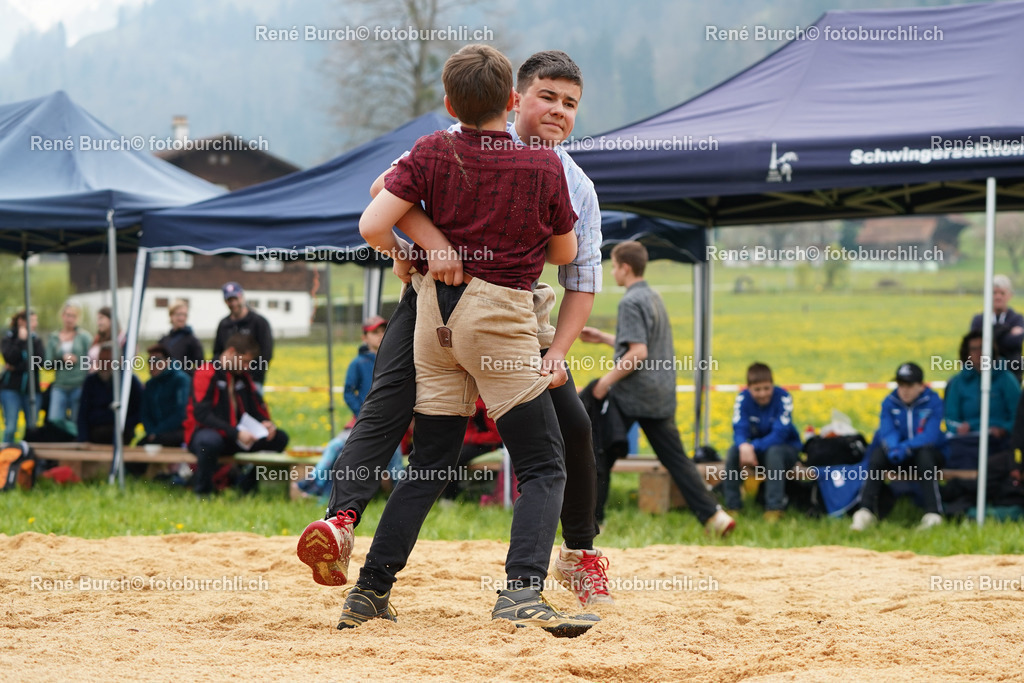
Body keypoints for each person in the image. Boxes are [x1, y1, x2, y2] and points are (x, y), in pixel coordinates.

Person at [296, 49, 616, 614]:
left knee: (460, 450)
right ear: (517, 99)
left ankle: (371, 590)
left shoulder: (449, 150)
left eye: (571, 104)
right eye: (548, 97)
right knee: (536, 460)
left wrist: (559, 350)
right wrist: (437, 246)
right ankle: (515, 590)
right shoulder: (527, 165)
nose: (559, 111)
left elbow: (380, 215)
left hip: (450, 317)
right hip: (493, 315)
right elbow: (385, 196)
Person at [581, 241, 735, 535]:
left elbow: (638, 353)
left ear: (625, 268)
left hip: (633, 394)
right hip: (660, 393)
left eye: (613, 266)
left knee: (597, 451)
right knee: (677, 460)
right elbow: (643, 345)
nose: (612, 272)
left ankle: (590, 521)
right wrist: (603, 338)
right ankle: (715, 517)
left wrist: (603, 384)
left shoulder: (629, 301)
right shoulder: (654, 296)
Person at [291, 316, 405, 500]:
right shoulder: (358, 363)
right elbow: (348, 392)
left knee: (396, 463)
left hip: (390, 425)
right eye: (374, 332)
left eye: (383, 331)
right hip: (361, 423)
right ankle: (311, 485)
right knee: (336, 447)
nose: (380, 336)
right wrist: (362, 415)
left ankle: (403, 500)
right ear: (364, 337)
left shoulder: (395, 361)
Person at [185, 333, 288, 497]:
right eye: (245, 361)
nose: (247, 366)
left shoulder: (243, 378)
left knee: (279, 438)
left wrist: (266, 423)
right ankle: (203, 492)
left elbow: (255, 409)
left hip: (238, 436)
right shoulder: (206, 372)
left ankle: (245, 487)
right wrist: (236, 433)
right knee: (209, 442)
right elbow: (201, 414)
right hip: (207, 434)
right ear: (231, 352)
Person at [851, 362, 948, 531]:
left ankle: (933, 514)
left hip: (924, 454)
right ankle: (864, 512)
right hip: (898, 455)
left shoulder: (933, 402)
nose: (904, 390)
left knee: (925, 456)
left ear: (921, 386)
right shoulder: (889, 402)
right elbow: (887, 431)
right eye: (901, 385)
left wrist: (905, 447)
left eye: (909, 385)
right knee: (878, 455)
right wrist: (895, 448)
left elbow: (929, 435)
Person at [722, 362, 803, 521]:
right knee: (733, 452)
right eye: (757, 389)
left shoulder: (784, 398)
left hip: (786, 450)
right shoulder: (742, 398)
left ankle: (774, 508)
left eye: (767, 388)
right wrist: (743, 445)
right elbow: (739, 428)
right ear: (749, 388)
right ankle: (732, 506)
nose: (762, 394)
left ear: (773, 385)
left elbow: (780, 434)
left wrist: (751, 446)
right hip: (755, 451)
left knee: (774, 452)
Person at [943, 330, 1020, 469]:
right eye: (974, 349)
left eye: (983, 348)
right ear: (967, 354)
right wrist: (958, 428)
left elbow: (1019, 415)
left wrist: (1004, 429)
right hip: (968, 441)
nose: (979, 353)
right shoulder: (958, 382)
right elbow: (950, 418)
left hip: (998, 441)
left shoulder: (1006, 379)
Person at [77, 344, 143, 444]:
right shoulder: (90, 381)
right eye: (102, 360)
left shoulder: (129, 381)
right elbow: (83, 413)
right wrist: (84, 439)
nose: (104, 364)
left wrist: (125, 424)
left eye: (108, 360)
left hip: (121, 433)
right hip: (94, 433)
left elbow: (140, 410)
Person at [44, 300, 93, 436]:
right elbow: (47, 364)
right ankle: (69, 437)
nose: (70, 319)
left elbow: (92, 358)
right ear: (62, 316)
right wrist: (62, 360)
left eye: (73, 316)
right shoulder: (54, 337)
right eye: (67, 315)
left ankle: (75, 442)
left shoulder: (84, 337)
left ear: (77, 318)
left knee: (77, 419)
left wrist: (79, 361)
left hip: (79, 384)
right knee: (54, 419)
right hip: (60, 384)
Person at [213, 282, 273, 391]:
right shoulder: (224, 324)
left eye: (236, 298)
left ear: (242, 297)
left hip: (252, 381)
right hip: (228, 380)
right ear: (225, 301)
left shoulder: (259, 322)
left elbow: (266, 353)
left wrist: (252, 376)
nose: (234, 303)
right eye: (230, 300)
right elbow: (217, 352)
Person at [969, 274, 1024, 380]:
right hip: (982, 376)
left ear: (1010, 295)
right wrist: (1007, 331)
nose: (998, 297)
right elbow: (976, 344)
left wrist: (990, 335)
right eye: (994, 293)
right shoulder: (979, 320)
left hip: (1012, 376)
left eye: (1002, 293)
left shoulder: (1018, 319)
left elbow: (1015, 342)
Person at [138, 343, 191, 447]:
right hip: (154, 434)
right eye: (150, 361)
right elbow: (144, 413)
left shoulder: (181, 380)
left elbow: (181, 413)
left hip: (177, 432)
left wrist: (157, 431)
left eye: (157, 361)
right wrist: (151, 431)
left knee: (156, 443)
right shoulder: (150, 384)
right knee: (135, 456)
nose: (152, 365)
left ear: (167, 361)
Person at [1, 310, 42, 443]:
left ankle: (29, 459)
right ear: (21, 321)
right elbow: (10, 357)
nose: (35, 324)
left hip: (31, 389)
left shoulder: (36, 340)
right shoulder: (9, 339)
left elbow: (38, 362)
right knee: (11, 427)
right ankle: (5, 458)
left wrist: (16, 367)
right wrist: (21, 341)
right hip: (10, 389)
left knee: (32, 427)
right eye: (32, 320)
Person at [158, 299, 204, 375]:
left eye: (184, 315)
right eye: (179, 314)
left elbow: (200, 366)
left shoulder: (192, 340)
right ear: (171, 315)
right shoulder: (163, 340)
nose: (182, 318)